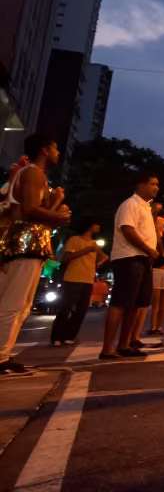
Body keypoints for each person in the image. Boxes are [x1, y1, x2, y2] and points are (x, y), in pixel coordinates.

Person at [1, 135, 69, 374]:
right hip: (25, 242)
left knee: (22, 303)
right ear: (44, 150)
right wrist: (57, 214)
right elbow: (29, 210)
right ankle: (1, 355)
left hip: (30, 242)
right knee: (14, 302)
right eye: (55, 148)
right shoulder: (32, 173)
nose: (58, 153)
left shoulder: (34, 175)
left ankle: (5, 352)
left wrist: (55, 205)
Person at [100, 171, 160, 360]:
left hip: (142, 259)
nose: (156, 188)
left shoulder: (146, 208)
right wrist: (148, 249)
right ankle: (107, 348)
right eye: (152, 184)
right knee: (120, 303)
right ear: (140, 185)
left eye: (157, 184)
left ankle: (124, 344)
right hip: (129, 257)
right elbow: (127, 229)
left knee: (136, 304)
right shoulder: (131, 204)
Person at [50, 217, 105, 346]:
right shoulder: (74, 240)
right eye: (96, 223)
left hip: (88, 280)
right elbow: (65, 258)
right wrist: (85, 251)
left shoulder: (94, 243)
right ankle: (57, 337)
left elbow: (104, 257)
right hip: (73, 278)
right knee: (66, 308)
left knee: (81, 310)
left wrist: (99, 262)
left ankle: (70, 336)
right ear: (89, 225)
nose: (98, 226)